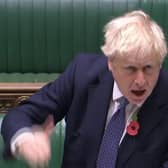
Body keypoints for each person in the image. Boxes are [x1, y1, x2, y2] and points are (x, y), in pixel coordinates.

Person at [1, 10, 168, 168]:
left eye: (148, 68)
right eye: (130, 69)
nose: (140, 81)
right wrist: (25, 139)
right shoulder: (82, 74)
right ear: (111, 63)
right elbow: (21, 115)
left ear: (159, 64)